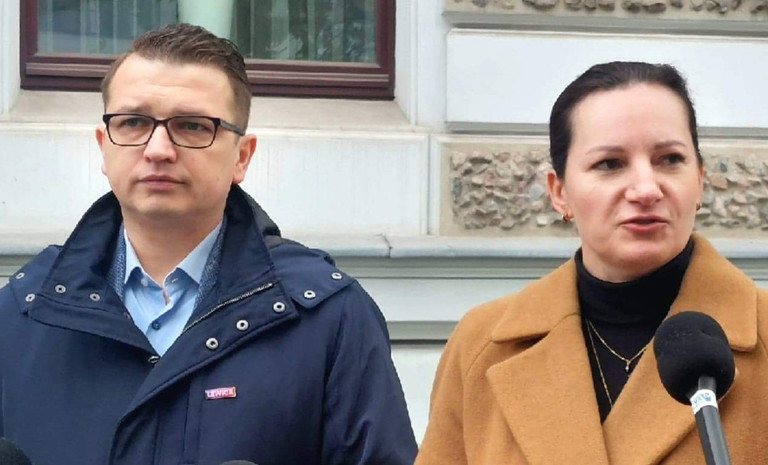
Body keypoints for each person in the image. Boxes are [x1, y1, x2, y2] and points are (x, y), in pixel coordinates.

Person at [0, 23, 417, 465]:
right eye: (134, 122)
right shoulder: (23, 314)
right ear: (104, 147)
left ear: (242, 156)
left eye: (193, 126)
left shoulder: (327, 317)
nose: (158, 149)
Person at [415, 61, 768, 464]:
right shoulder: (483, 346)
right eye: (610, 164)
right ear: (559, 192)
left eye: (669, 159)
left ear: (700, 180)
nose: (646, 189)